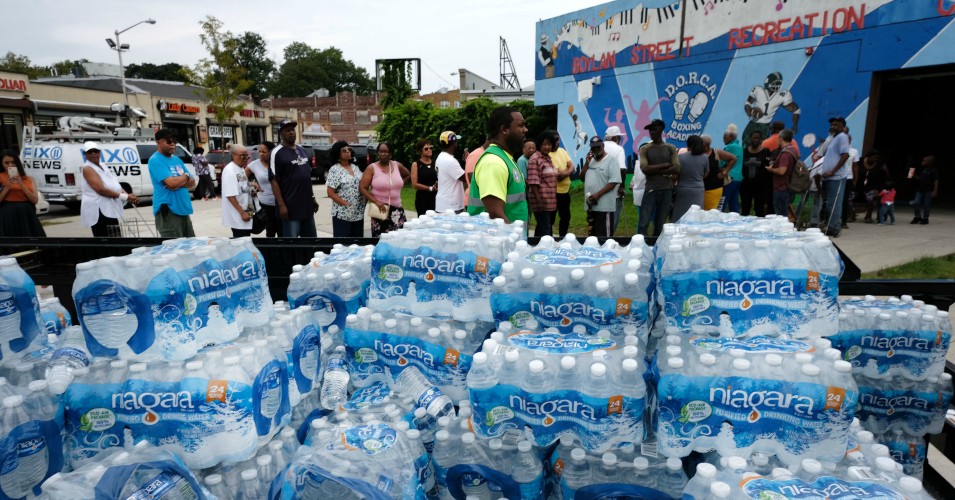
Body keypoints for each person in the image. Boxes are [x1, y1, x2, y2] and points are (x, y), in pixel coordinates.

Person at [467, 106, 529, 226]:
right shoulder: (494, 162)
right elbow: (495, 215)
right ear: (504, 129)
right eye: (521, 125)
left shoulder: (505, 158)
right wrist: (514, 236)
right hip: (498, 237)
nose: (525, 130)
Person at [270, 119, 318, 237]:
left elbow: (306, 177)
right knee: (292, 242)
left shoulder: (301, 150)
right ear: (281, 134)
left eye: (292, 130)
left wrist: (312, 198)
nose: (291, 132)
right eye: (287, 130)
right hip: (290, 208)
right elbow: (274, 181)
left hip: (306, 206)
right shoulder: (276, 153)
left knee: (312, 241)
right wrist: (281, 205)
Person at [79, 141, 138, 237]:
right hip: (99, 210)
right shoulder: (87, 168)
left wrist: (127, 195)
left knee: (115, 235)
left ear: (99, 152)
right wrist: (125, 197)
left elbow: (114, 183)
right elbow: (100, 190)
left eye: (95, 151)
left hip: (109, 208)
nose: (93, 153)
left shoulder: (103, 165)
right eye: (90, 152)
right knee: (106, 238)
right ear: (85, 154)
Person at [149, 128, 195, 238]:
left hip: (183, 209)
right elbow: (172, 183)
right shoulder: (155, 160)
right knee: (175, 246)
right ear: (158, 142)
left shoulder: (177, 160)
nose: (173, 144)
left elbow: (192, 182)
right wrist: (185, 176)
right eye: (168, 141)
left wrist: (182, 180)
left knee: (191, 245)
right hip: (169, 210)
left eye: (174, 141)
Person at [637, 119, 680, 237]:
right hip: (651, 188)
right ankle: (641, 244)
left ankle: (656, 244)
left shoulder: (670, 147)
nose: (651, 132)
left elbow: (677, 168)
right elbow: (644, 169)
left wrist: (656, 171)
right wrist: (664, 165)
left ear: (661, 130)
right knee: (643, 222)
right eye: (650, 130)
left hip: (666, 189)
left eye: (654, 129)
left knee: (660, 223)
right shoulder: (645, 148)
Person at [360, 142, 410, 236]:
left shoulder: (397, 165)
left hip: (397, 210)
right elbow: (362, 187)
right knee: (381, 239)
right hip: (380, 209)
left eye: (386, 151)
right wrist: (376, 201)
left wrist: (398, 184)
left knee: (399, 238)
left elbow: (407, 174)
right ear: (377, 153)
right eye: (381, 151)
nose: (383, 154)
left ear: (390, 154)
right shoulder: (371, 168)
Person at [582, 137, 621, 237]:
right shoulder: (590, 161)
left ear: (603, 146)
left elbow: (614, 181)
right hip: (591, 207)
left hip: (604, 207)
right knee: (592, 238)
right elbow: (582, 178)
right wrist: (586, 163)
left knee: (604, 238)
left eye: (598, 147)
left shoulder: (611, 160)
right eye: (593, 147)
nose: (596, 149)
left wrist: (598, 194)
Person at [0, 151, 45, 237]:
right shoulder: (1, 177)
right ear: (2, 164)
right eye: (6, 163)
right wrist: (7, 187)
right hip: (7, 214)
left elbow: (35, 200)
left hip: (26, 213)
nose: (10, 165)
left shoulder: (29, 179)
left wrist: (22, 185)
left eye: (13, 162)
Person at [818, 117, 851, 237]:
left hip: (836, 177)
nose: (833, 127)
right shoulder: (833, 138)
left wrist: (833, 171)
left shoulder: (842, 137)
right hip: (828, 177)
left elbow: (845, 155)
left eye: (836, 125)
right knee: (829, 204)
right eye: (832, 124)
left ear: (843, 127)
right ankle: (829, 226)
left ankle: (834, 228)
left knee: (834, 203)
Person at [326, 141, 366, 237]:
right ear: (337, 154)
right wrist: (346, 204)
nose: (348, 152)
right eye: (344, 150)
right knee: (343, 243)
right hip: (343, 215)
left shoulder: (355, 167)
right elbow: (330, 193)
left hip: (358, 214)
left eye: (349, 149)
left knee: (357, 243)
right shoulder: (335, 169)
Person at [527, 132, 558, 237]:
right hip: (541, 201)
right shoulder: (535, 159)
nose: (547, 147)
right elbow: (533, 183)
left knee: (543, 228)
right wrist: (539, 202)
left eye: (549, 144)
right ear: (539, 145)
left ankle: (536, 244)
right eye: (544, 144)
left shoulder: (548, 158)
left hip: (550, 201)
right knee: (546, 232)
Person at [672, 135, 709, 222]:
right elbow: (706, 173)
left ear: (688, 144)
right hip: (698, 190)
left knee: (680, 214)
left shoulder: (680, 157)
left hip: (682, 189)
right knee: (696, 216)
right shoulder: (704, 157)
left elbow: (676, 175)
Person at [247, 141, 281, 237]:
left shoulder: (278, 163)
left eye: (264, 152)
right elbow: (240, 179)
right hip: (265, 205)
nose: (261, 154)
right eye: (259, 151)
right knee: (270, 232)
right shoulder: (254, 164)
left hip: (281, 203)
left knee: (282, 232)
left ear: (271, 152)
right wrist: (251, 184)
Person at [221, 145, 254, 237]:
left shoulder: (241, 168)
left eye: (246, 156)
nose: (245, 159)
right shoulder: (230, 171)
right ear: (233, 155)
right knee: (241, 241)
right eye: (242, 156)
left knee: (247, 239)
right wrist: (242, 212)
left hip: (247, 211)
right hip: (238, 216)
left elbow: (240, 185)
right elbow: (230, 195)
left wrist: (251, 187)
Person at [766, 129, 797, 217]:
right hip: (787, 187)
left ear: (780, 138)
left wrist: (770, 169)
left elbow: (782, 171)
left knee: (781, 216)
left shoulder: (785, 153)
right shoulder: (793, 149)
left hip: (782, 188)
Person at [739, 130, 771, 217]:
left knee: (759, 209)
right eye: (754, 138)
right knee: (745, 209)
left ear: (761, 140)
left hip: (761, 186)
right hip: (746, 185)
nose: (756, 140)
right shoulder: (744, 152)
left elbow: (769, 167)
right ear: (750, 139)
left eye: (758, 138)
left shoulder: (766, 152)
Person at [603, 126, 628, 235]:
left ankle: (601, 237)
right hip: (613, 190)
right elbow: (622, 169)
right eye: (619, 137)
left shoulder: (600, 146)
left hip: (599, 189)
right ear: (616, 138)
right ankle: (609, 238)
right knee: (613, 217)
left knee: (601, 218)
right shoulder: (618, 149)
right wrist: (621, 186)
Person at [701, 134, 736, 210]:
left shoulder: (716, 152)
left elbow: (733, 158)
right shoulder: (698, 153)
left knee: (711, 211)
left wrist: (725, 172)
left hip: (714, 187)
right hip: (700, 188)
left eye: (700, 143)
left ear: (706, 144)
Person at [549, 134, 575, 237]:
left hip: (565, 192)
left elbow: (572, 166)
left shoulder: (562, 151)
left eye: (558, 140)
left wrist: (566, 172)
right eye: (554, 140)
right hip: (554, 193)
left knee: (566, 217)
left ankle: (562, 238)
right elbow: (558, 176)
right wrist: (567, 170)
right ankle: (549, 239)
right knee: (551, 219)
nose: (557, 142)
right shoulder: (548, 154)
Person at [435, 131, 466, 213]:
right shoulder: (450, 161)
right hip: (451, 206)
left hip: (443, 204)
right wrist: (468, 160)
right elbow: (466, 178)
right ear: (454, 143)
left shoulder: (440, 156)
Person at [856, 149, 888, 224]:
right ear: (868, 156)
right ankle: (851, 214)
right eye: (874, 158)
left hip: (872, 186)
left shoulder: (880, 163)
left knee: (871, 197)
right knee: (849, 196)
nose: (875, 159)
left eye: (877, 158)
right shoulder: (860, 161)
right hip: (858, 185)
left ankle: (868, 215)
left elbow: (884, 177)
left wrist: (878, 189)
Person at [410, 138, 437, 215]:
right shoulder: (416, 165)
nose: (429, 150)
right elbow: (414, 184)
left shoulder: (436, 163)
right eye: (426, 149)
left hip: (436, 198)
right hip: (422, 199)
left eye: (430, 148)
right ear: (420, 151)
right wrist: (429, 188)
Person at [910, 155, 939, 225]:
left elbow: (936, 181)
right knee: (916, 202)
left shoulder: (934, 170)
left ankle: (925, 218)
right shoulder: (923, 169)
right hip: (920, 189)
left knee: (927, 204)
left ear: (929, 162)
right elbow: (921, 179)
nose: (922, 162)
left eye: (924, 161)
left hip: (928, 190)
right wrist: (913, 175)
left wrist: (935, 190)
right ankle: (917, 216)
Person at [722, 124, 744, 213]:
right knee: (734, 204)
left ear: (731, 137)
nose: (723, 139)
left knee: (722, 203)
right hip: (738, 178)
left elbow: (721, 162)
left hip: (729, 178)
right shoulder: (739, 147)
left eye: (725, 137)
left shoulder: (730, 147)